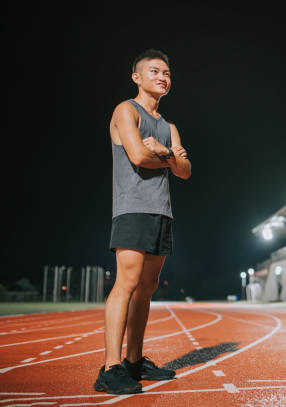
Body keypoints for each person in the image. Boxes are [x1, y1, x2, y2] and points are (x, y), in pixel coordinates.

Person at [94, 49, 192, 395]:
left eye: (167, 72)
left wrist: (163, 152)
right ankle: (110, 367)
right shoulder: (126, 110)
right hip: (132, 207)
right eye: (155, 71)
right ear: (137, 77)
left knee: (147, 289)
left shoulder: (168, 126)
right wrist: (169, 156)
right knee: (128, 282)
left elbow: (186, 171)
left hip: (161, 211)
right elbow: (137, 155)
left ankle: (134, 361)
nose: (163, 77)